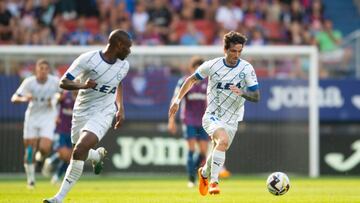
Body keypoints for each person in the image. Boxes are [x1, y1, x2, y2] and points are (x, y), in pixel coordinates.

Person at [43, 29, 132, 203]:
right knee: (80, 152)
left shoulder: (124, 65)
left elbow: (118, 81)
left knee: (79, 149)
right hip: (82, 110)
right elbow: (64, 82)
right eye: (128, 47)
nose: (129, 51)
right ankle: (97, 156)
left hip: (105, 111)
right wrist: (83, 85)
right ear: (119, 45)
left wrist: (120, 107)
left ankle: (58, 198)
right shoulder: (88, 59)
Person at [169, 31, 260, 195]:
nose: (236, 55)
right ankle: (214, 182)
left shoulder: (246, 68)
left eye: (240, 51)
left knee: (221, 145)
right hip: (212, 116)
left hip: (233, 119)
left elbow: (256, 96)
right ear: (225, 49)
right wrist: (177, 100)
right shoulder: (212, 65)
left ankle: (204, 173)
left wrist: (242, 93)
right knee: (222, 140)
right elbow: (190, 80)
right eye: (233, 51)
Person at [11, 59, 60, 189]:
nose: (43, 71)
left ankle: (40, 158)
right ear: (36, 70)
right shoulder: (29, 82)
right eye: (41, 68)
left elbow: (62, 94)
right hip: (32, 117)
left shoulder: (55, 81)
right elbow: (14, 98)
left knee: (45, 147)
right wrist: (24, 98)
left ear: (48, 70)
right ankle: (31, 180)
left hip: (48, 117)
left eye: (45, 69)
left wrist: (55, 99)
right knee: (29, 150)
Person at [168, 56, 209, 188]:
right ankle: (191, 178)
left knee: (203, 152)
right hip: (189, 119)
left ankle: (195, 171)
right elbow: (175, 100)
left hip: (204, 121)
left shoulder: (208, 82)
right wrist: (171, 120)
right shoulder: (184, 82)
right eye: (196, 68)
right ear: (191, 69)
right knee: (191, 149)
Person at [42, 90, 77, 184]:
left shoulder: (82, 98)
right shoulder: (65, 95)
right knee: (64, 154)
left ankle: (57, 176)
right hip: (60, 130)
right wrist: (57, 98)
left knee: (69, 158)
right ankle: (51, 161)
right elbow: (55, 101)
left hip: (73, 131)